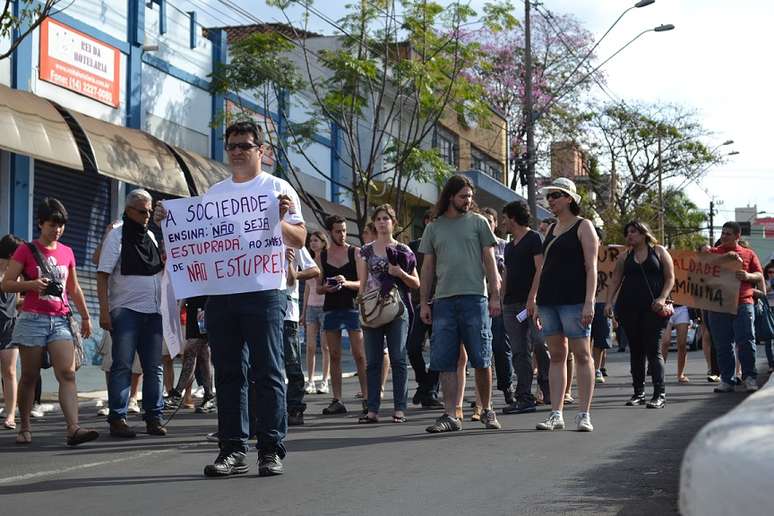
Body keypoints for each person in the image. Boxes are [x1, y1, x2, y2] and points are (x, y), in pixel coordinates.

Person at [156, 121, 306, 477]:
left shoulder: (277, 189)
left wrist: (278, 220)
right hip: (221, 296)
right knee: (227, 374)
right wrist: (168, 221)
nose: (237, 151)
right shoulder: (215, 194)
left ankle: (270, 450)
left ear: (261, 151)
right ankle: (232, 450)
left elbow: (299, 239)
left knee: (267, 371)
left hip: (265, 292)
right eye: (232, 146)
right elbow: (196, 240)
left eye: (244, 145)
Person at [2, 198, 98, 446]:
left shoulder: (67, 252)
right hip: (32, 319)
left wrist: (86, 316)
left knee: (67, 373)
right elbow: (6, 283)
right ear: (40, 224)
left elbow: (74, 288)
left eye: (61, 225)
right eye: (52, 224)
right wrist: (30, 285)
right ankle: (24, 425)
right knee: (30, 376)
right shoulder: (26, 250)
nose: (57, 229)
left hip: (60, 319)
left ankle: (73, 428)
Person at [419, 175, 502, 433]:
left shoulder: (478, 223)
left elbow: (490, 262)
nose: (468, 201)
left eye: (470, 196)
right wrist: (423, 302)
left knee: (482, 358)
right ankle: (450, 415)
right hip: (443, 301)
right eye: (463, 196)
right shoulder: (434, 227)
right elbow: (428, 267)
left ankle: (486, 409)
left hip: (475, 298)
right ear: (450, 196)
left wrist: (496, 296)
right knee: (445, 361)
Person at [97, 189, 166, 439]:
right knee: (122, 365)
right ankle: (118, 418)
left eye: (149, 211)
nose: (146, 216)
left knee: (153, 367)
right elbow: (102, 274)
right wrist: (105, 311)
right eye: (141, 211)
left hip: (153, 312)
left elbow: (159, 271)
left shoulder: (150, 236)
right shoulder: (117, 236)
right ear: (128, 211)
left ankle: (153, 417)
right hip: (125, 311)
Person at [533, 178, 598, 432]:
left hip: (574, 300)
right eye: (549, 197)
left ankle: (584, 414)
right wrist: (536, 300)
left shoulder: (584, 226)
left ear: (569, 198)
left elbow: (591, 267)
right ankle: (555, 413)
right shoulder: (550, 229)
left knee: (582, 354)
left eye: (556, 196)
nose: (551, 201)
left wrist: (589, 302)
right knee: (557, 355)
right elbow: (543, 268)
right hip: (549, 300)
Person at [356, 204, 419, 424]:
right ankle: (372, 409)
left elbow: (416, 282)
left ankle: (400, 409)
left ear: (394, 222)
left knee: (398, 358)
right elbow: (362, 284)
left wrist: (399, 273)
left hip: (397, 309)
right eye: (379, 219)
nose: (382, 222)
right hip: (373, 308)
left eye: (386, 218)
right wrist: (362, 308)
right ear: (374, 223)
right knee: (372, 361)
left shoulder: (404, 250)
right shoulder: (365, 251)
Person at [605, 221, 674, 408]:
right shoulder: (624, 256)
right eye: (627, 232)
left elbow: (670, 278)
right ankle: (638, 393)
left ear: (644, 234)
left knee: (654, 350)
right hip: (629, 308)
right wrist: (609, 302)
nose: (630, 235)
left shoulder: (659, 251)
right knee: (635, 351)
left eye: (634, 231)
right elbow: (615, 280)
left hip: (654, 309)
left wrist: (662, 298)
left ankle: (659, 394)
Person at [499, 201, 550, 415]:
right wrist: (501, 299)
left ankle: (547, 386)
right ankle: (524, 397)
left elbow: (541, 268)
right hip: (512, 306)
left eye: (504, 218)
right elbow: (507, 274)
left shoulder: (534, 239)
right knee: (519, 351)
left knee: (539, 343)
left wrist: (533, 297)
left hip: (533, 304)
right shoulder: (509, 246)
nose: (502, 222)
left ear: (513, 217)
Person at [704, 222, 764, 393]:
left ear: (737, 236)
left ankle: (749, 377)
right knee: (723, 344)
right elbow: (700, 265)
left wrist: (747, 275)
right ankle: (727, 380)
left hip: (743, 302)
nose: (723, 236)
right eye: (722, 233)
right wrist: (723, 257)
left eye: (728, 234)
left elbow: (759, 275)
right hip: (718, 304)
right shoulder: (713, 253)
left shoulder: (748, 254)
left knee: (746, 341)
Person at [317, 214, 367, 416]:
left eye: (344, 230)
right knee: (334, 355)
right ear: (330, 232)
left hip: (352, 307)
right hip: (331, 309)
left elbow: (363, 283)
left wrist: (346, 282)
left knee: (360, 355)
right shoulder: (322, 256)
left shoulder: (355, 252)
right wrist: (326, 288)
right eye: (338, 231)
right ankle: (337, 399)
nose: (342, 234)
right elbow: (318, 287)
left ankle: (367, 397)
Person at [406, 211, 442, 409]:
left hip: (441, 302)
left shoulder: (443, 245)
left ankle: (430, 391)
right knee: (412, 348)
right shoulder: (412, 247)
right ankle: (424, 384)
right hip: (418, 303)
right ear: (426, 222)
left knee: (438, 350)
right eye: (430, 220)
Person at [480, 207, 515, 407]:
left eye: (490, 220)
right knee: (480, 350)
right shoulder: (474, 245)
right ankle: (481, 398)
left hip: (500, 302)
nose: (486, 223)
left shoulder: (504, 246)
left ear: (495, 224)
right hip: (478, 299)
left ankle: (507, 387)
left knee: (501, 346)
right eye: (483, 220)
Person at [284, 246, 319, 426]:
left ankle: (295, 408)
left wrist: (294, 270)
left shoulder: (292, 241)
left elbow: (314, 269)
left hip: (287, 314)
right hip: (262, 314)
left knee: (292, 363)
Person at [163, 296, 215, 414]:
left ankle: (177, 394)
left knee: (191, 349)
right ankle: (209, 395)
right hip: (193, 307)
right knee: (203, 353)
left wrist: (209, 307)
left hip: (205, 306)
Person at [302, 231, 330, 395]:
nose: (313, 243)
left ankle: (325, 381)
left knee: (326, 346)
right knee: (311, 346)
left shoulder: (327, 261)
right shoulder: (308, 262)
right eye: (311, 240)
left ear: (323, 242)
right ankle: (311, 380)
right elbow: (307, 288)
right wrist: (303, 311)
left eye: (316, 240)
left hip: (326, 307)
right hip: (311, 307)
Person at [0, 234, 23, 429]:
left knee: (10, 371)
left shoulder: (17, 273)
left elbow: (16, 301)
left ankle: (10, 416)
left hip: (9, 326)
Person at [660, 305, 692, 383]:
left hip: (682, 308)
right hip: (666, 306)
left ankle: (680, 374)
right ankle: (660, 374)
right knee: (665, 342)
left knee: (682, 344)